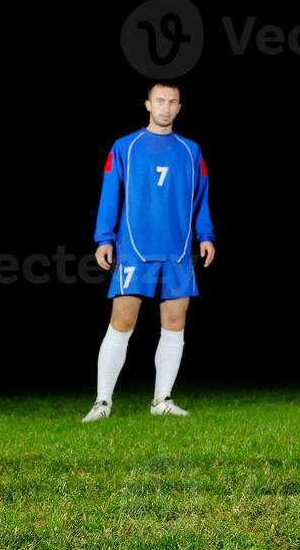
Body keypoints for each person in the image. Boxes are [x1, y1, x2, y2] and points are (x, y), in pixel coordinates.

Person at [81, 81, 215, 422]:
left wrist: (205, 235)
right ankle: (102, 402)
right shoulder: (126, 146)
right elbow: (110, 192)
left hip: (179, 249)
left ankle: (162, 401)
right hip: (134, 248)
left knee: (174, 322)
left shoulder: (191, 150)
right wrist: (104, 239)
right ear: (148, 105)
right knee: (122, 320)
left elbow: (201, 198)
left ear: (179, 108)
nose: (166, 107)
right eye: (160, 101)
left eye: (172, 102)